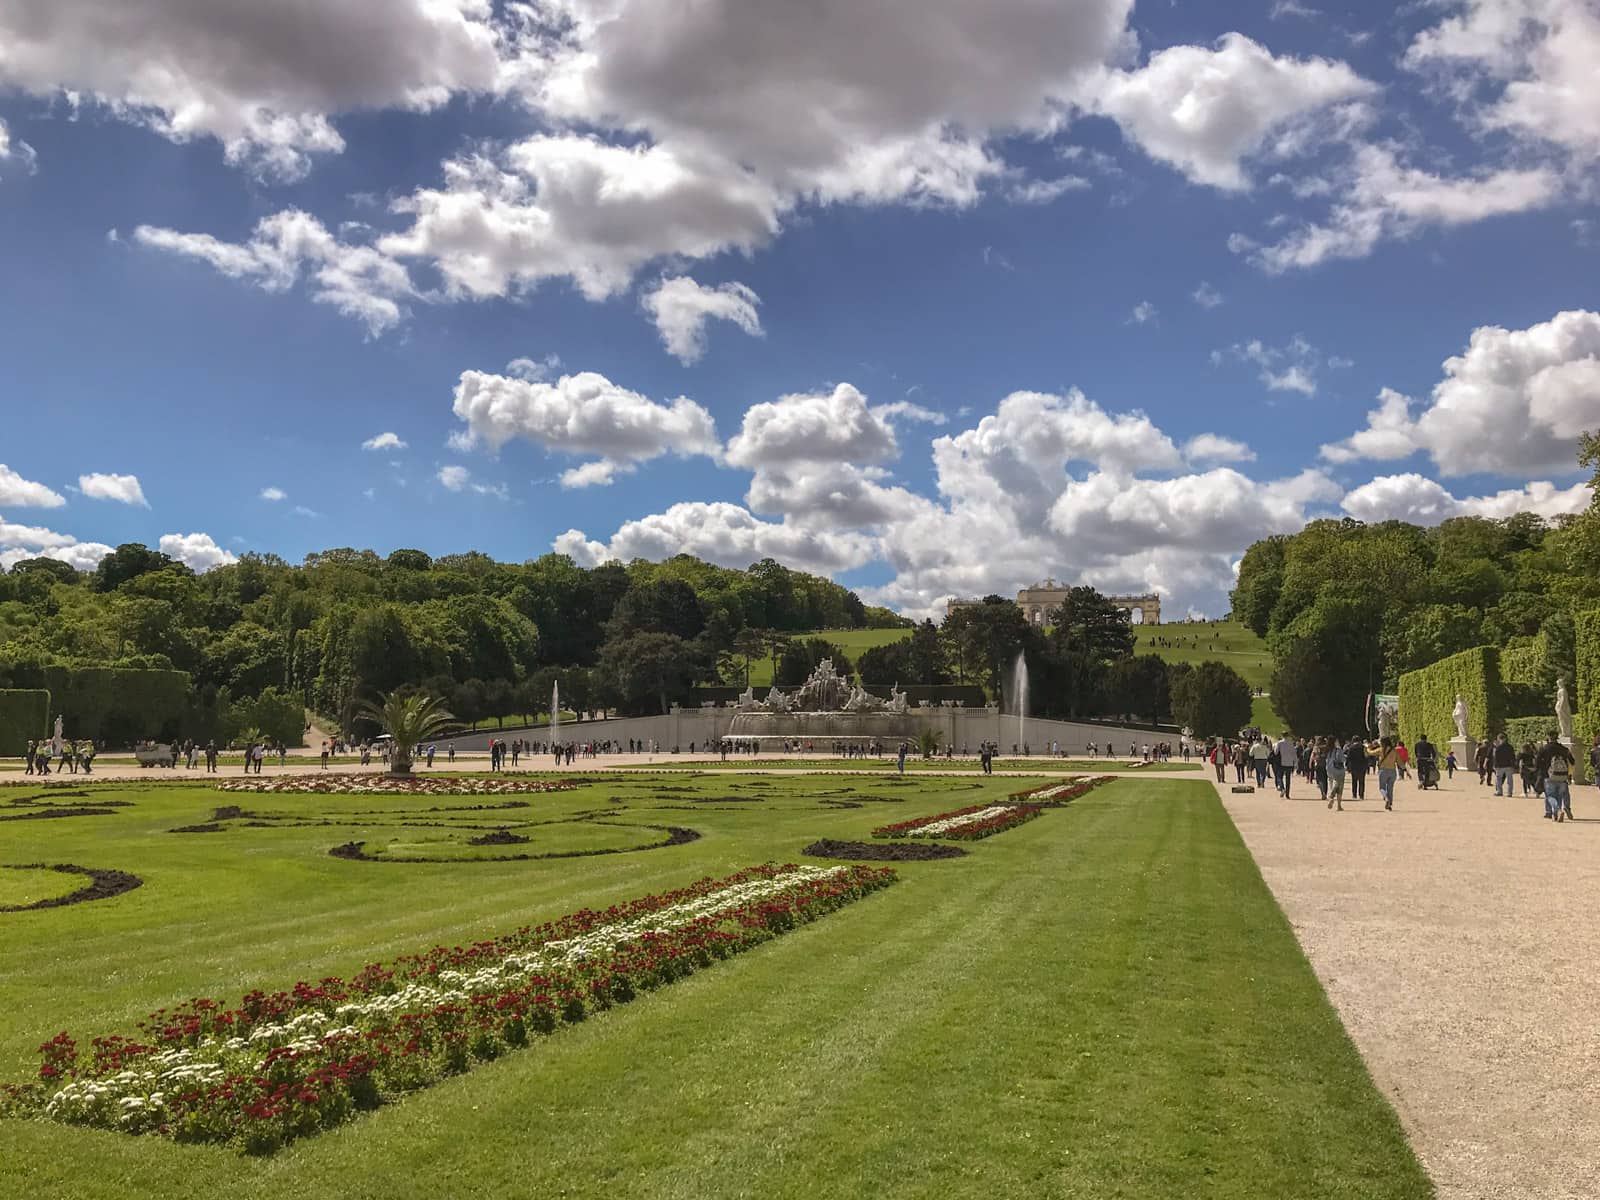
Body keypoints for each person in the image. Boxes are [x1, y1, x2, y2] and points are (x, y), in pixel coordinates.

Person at [1536, 731, 1575, 822]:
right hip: (1562, 775)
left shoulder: (1544, 749)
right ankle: (1564, 808)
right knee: (1561, 795)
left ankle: (1556, 810)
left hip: (1549, 776)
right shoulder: (1564, 749)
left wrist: (1542, 771)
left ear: (1548, 738)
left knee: (1550, 796)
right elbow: (1572, 761)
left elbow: (1537, 762)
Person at [1376, 736, 1399, 810]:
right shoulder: (1394, 750)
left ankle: (1386, 799)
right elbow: (1399, 761)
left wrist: (1367, 747)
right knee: (1390, 788)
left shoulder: (1381, 750)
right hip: (1392, 771)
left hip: (1383, 771)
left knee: (1382, 787)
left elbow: (1370, 752)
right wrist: (1406, 771)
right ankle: (1390, 804)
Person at [1274, 733, 1298, 798]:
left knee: (1279, 777)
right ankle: (1287, 794)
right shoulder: (1291, 743)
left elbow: (1276, 752)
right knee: (1288, 779)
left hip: (1281, 763)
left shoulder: (1279, 743)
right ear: (1288, 736)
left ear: (1282, 735)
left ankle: (1282, 788)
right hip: (1289, 763)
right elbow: (1294, 754)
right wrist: (1296, 763)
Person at [1345, 736, 1368, 800]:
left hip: (1353, 766)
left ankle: (1354, 794)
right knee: (1362, 781)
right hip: (1362, 766)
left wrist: (1347, 766)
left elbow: (1348, 757)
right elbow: (1366, 756)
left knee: (1354, 780)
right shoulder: (1363, 747)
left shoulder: (1351, 748)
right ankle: (1361, 795)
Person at [1326, 738, 1346, 810]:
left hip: (1329, 769)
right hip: (1338, 769)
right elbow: (1341, 759)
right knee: (1339, 786)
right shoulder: (1338, 750)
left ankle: (1331, 797)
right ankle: (1337, 804)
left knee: (1332, 784)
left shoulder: (1328, 750)